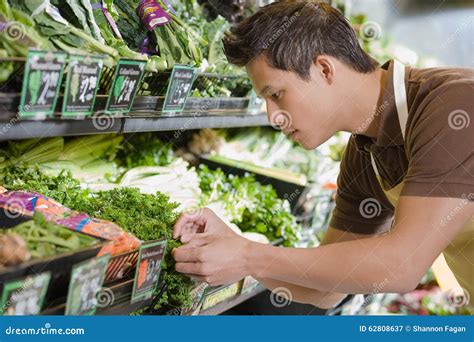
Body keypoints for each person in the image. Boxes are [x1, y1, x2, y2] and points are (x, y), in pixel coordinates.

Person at [172, 1, 473, 308]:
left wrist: (248, 255)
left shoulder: (454, 105)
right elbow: (326, 291)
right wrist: (234, 248)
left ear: (324, 69)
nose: (273, 117)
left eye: (276, 95)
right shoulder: (363, 158)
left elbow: (402, 265)